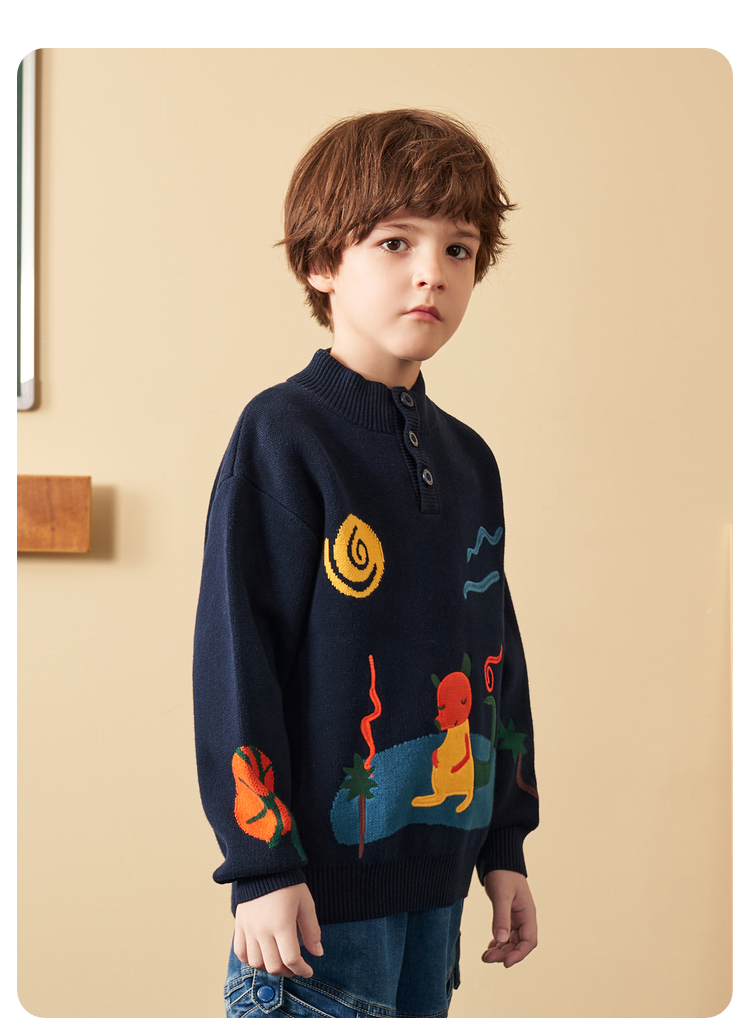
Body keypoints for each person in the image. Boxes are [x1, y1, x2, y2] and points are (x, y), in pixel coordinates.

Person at [193, 108, 540, 1018]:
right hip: (313, 910)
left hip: (439, 892)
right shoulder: (283, 435)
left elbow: (497, 657)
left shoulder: (471, 461)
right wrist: (261, 866)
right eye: (396, 242)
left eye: (459, 249)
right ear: (321, 263)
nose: (433, 272)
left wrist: (505, 845)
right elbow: (237, 662)